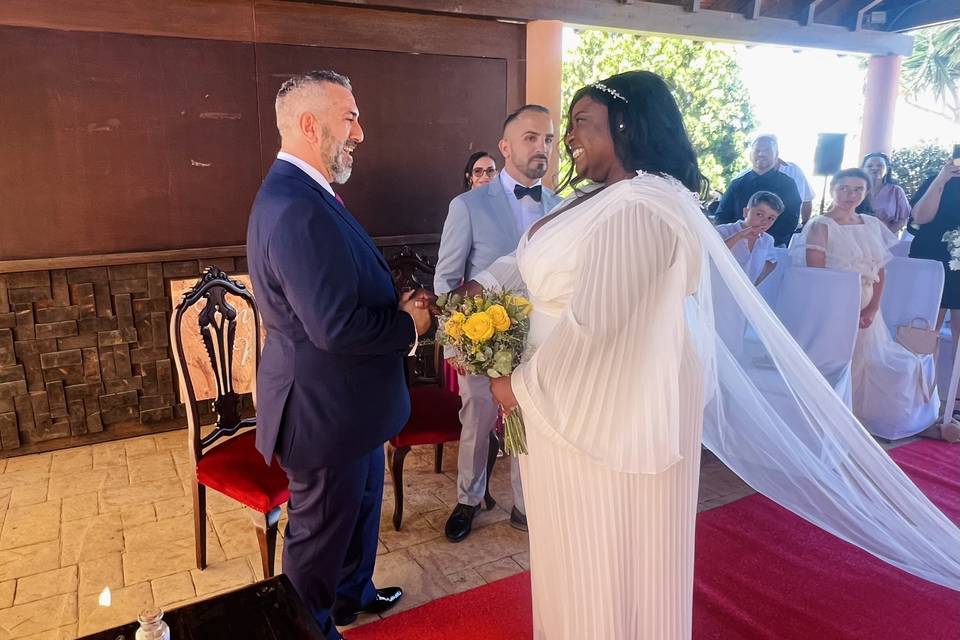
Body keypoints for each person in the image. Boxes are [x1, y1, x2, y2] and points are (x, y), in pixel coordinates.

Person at [449, 71, 959, 638]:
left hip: (603, 420)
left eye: (580, 123)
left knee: (603, 562)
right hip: (567, 414)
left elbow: (595, 329)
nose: (567, 137)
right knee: (573, 552)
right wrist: (479, 299)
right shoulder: (604, 198)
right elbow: (536, 262)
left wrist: (513, 386)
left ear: (626, 126)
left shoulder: (644, 209)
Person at [245, 70, 432, 640]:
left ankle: (352, 595)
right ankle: (309, 627)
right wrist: (406, 323)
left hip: (350, 407)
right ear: (309, 124)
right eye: (349, 117)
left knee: (359, 513)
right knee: (318, 538)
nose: (360, 131)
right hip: (323, 413)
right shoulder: (295, 206)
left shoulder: (305, 192)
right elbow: (333, 326)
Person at [434, 105, 561, 542]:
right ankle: (469, 499)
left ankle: (526, 506)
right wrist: (457, 347)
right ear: (506, 146)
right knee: (478, 424)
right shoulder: (468, 205)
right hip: (481, 341)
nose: (541, 147)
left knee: (531, 425)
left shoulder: (564, 210)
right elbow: (447, 281)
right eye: (530, 138)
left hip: (541, 343)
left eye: (547, 138)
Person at [791, 168, 938, 439]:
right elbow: (818, 275)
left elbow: (880, 271)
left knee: (864, 364)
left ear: (866, 192)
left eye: (858, 189)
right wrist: (842, 309)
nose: (851, 194)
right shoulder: (821, 225)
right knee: (837, 364)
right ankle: (826, 425)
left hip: (868, 309)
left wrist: (872, 307)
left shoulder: (870, 225)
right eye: (844, 188)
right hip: (833, 310)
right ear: (834, 189)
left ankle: (855, 422)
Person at [909, 160, 960, 441]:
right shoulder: (936, 178)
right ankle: (924, 400)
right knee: (928, 333)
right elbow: (921, 216)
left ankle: (956, 403)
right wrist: (942, 178)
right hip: (933, 260)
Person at [715, 135, 802, 246]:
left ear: (776, 155)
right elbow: (722, 216)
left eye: (767, 151)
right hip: (735, 246)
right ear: (750, 155)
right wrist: (736, 237)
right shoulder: (737, 184)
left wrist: (762, 240)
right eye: (757, 150)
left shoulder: (788, 185)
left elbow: (791, 220)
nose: (761, 154)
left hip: (772, 247)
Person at [715, 190, 782, 284]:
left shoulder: (768, 240)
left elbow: (772, 261)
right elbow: (714, 254)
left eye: (771, 218)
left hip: (744, 292)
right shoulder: (723, 231)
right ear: (746, 212)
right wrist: (740, 235)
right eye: (759, 214)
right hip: (719, 286)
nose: (764, 221)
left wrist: (759, 279)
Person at [862, 152, 911, 235]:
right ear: (863, 169)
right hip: (854, 237)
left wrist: (885, 235)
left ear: (887, 169)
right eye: (870, 166)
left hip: (884, 239)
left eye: (880, 165)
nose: (874, 168)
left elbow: (903, 219)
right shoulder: (855, 189)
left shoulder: (896, 191)